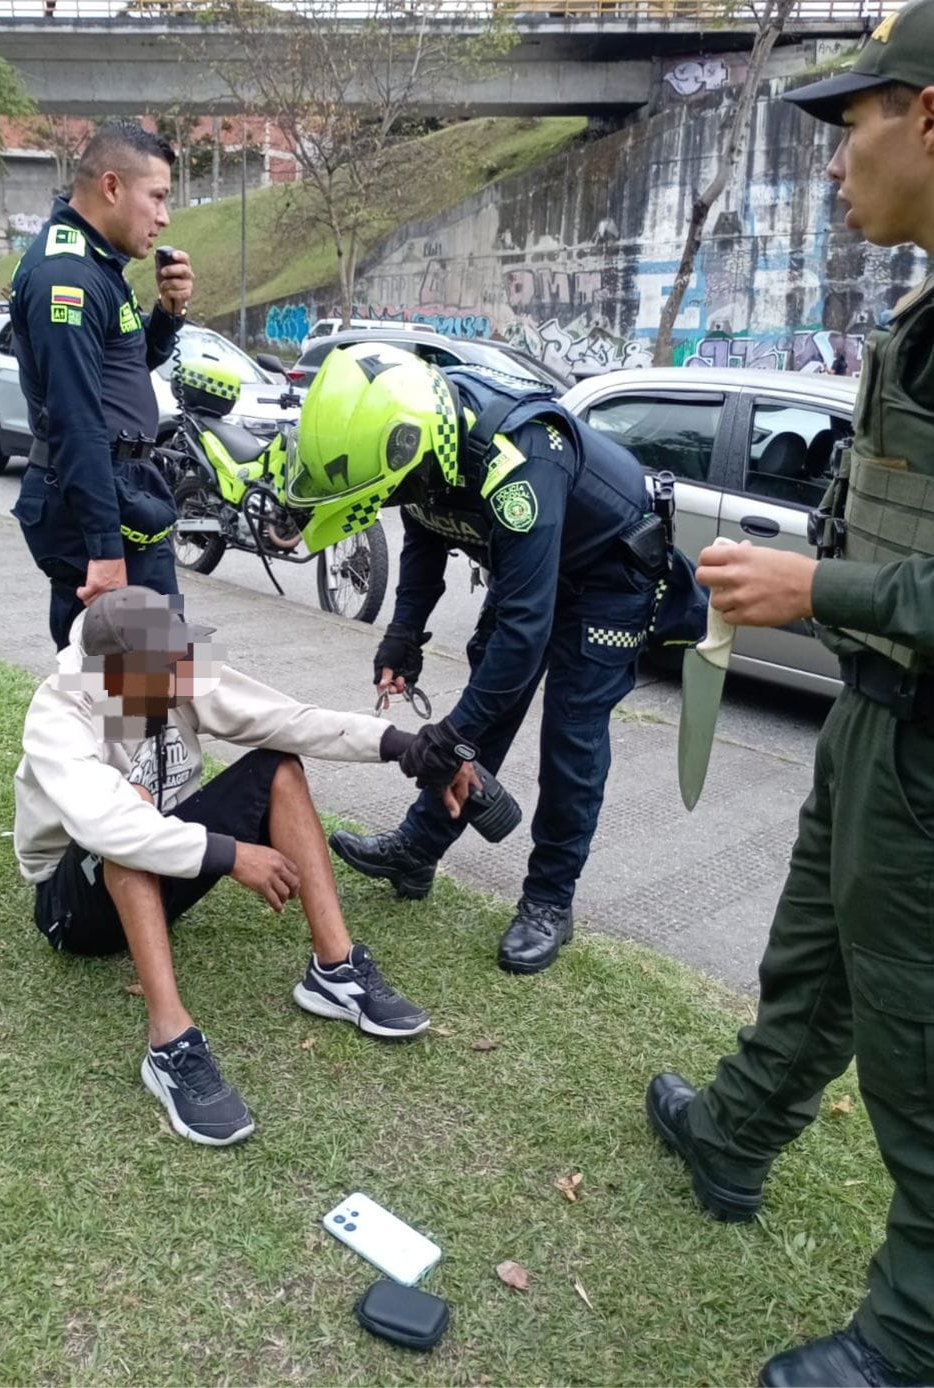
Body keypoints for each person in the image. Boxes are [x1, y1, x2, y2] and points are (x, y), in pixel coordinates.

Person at [645, 4, 934, 1383]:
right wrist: (812, 574)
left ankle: (908, 1339)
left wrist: (815, 588)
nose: (831, 160)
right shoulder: (920, 308)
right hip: (878, 718)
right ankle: (734, 1133)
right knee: (812, 955)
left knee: (916, 1039)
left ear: (927, 116)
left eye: (853, 121)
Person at [284, 342, 704, 975]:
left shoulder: (518, 460)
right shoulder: (420, 440)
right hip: (530, 565)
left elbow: (523, 634)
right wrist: (403, 637)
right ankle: (417, 852)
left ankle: (549, 901)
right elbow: (426, 534)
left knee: (571, 736)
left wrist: (450, 736)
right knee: (487, 708)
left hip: (609, 578)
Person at [14, 586, 476, 1147]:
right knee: (129, 820)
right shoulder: (60, 710)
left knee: (278, 765)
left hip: (162, 874)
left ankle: (335, 970)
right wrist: (230, 854)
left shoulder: (170, 673)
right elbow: (107, 825)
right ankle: (169, 1043)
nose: (184, 671)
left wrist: (402, 745)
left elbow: (282, 719)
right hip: (75, 907)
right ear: (118, 675)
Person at [10, 121, 193, 651]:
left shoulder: (97, 265)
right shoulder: (66, 278)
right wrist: (105, 550)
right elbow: (77, 419)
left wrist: (168, 314)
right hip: (97, 498)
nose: (164, 217)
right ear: (112, 186)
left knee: (148, 675)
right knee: (138, 679)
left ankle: (143, 709)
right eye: (157, 196)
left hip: (123, 489)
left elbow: (124, 367)